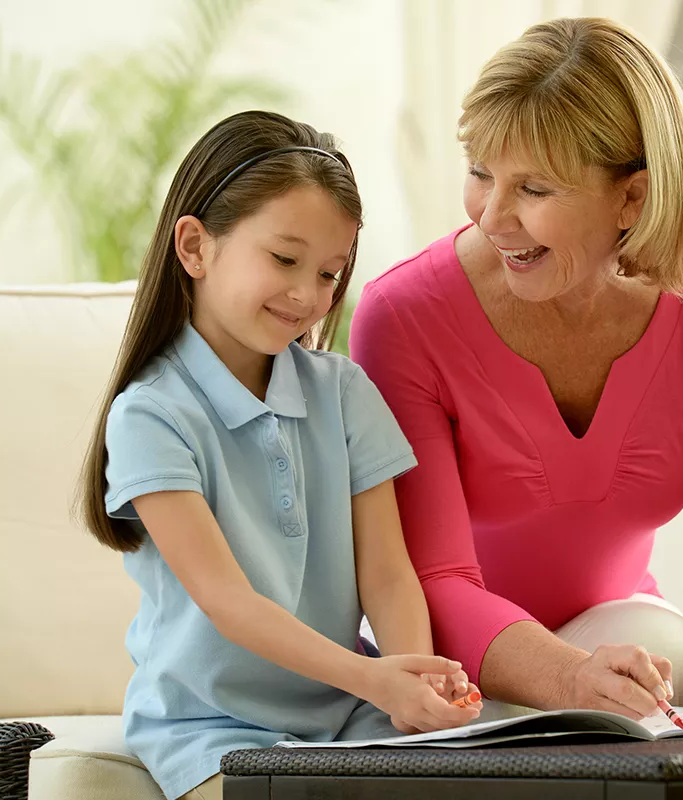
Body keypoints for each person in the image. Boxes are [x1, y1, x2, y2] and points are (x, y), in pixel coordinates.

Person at [350, 17, 683, 724]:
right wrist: (570, 681)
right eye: (481, 173)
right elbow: (433, 579)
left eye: (535, 189)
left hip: (619, 642)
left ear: (633, 198)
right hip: (452, 664)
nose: (493, 218)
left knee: (666, 655)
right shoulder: (403, 317)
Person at [78, 110, 481, 800]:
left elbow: (386, 573)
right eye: (284, 259)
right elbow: (228, 602)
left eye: (329, 273)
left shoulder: (345, 392)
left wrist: (411, 679)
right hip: (209, 729)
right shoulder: (151, 415)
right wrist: (374, 678)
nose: (308, 295)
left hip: (349, 715)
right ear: (195, 246)